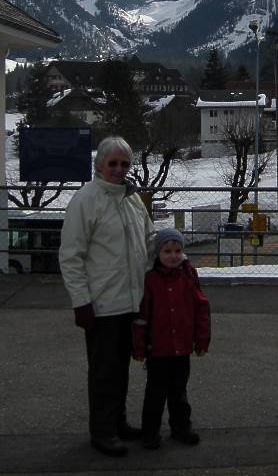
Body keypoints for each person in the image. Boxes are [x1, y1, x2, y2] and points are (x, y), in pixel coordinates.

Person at [59, 136, 153, 457]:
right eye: (113, 163)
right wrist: (81, 302)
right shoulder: (86, 200)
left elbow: (148, 239)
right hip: (102, 303)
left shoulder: (132, 199)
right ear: (99, 165)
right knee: (104, 371)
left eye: (124, 163)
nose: (119, 169)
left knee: (121, 368)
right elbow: (71, 256)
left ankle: (117, 423)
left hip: (131, 300)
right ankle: (102, 431)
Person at [132, 228, 210, 450]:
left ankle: (181, 427)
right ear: (158, 253)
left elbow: (200, 308)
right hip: (157, 348)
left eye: (177, 251)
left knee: (179, 392)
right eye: (167, 251)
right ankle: (150, 432)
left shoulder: (188, 276)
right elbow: (142, 316)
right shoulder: (150, 280)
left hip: (182, 347)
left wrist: (201, 340)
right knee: (155, 394)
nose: (173, 256)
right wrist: (139, 346)